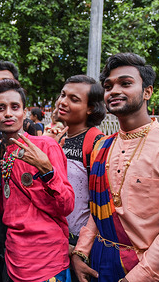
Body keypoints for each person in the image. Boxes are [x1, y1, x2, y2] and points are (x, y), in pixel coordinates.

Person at [71, 53, 159, 281]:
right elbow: (97, 210)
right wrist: (80, 254)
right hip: (99, 264)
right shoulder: (102, 146)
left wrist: (134, 278)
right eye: (108, 86)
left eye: (126, 83)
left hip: (151, 271)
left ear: (147, 91)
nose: (114, 90)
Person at [0, 79, 74, 281]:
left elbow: (67, 204)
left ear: (25, 112)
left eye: (15, 107)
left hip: (48, 260)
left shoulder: (44, 146)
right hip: (13, 258)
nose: (8, 113)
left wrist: (46, 170)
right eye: (0, 108)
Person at [47, 75, 106, 254]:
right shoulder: (57, 137)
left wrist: (81, 249)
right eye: (63, 95)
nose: (62, 102)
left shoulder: (97, 142)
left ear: (90, 108)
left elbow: (102, 201)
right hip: (53, 237)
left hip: (80, 243)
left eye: (74, 99)